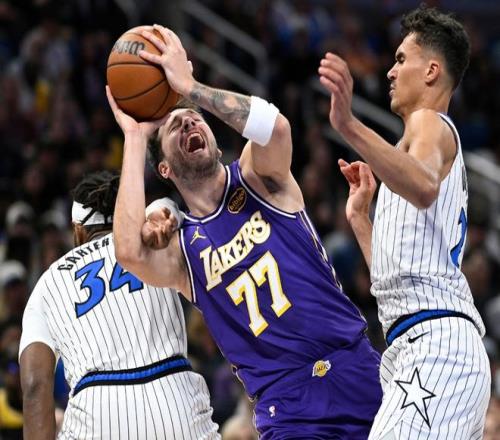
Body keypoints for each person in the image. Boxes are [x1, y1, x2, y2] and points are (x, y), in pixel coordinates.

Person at [108, 24, 382, 439]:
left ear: (217, 143)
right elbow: (128, 251)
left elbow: (276, 127)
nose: (188, 123)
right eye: (174, 127)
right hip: (287, 407)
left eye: (194, 118)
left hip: (354, 366)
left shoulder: (257, 177)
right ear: (164, 168)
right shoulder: (182, 250)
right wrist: (133, 137)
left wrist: (191, 88)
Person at [318, 5, 491, 439]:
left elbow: (425, 184)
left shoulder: (429, 124)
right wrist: (361, 219)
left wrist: (348, 124)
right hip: (421, 347)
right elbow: (393, 279)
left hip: (436, 346)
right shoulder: (407, 154)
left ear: (431, 71)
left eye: (400, 59)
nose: (390, 72)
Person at [19, 171, 220, 440]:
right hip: (174, 395)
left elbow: (35, 385)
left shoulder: (49, 281)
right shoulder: (153, 237)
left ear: (78, 230)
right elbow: (174, 210)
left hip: (98, 409)